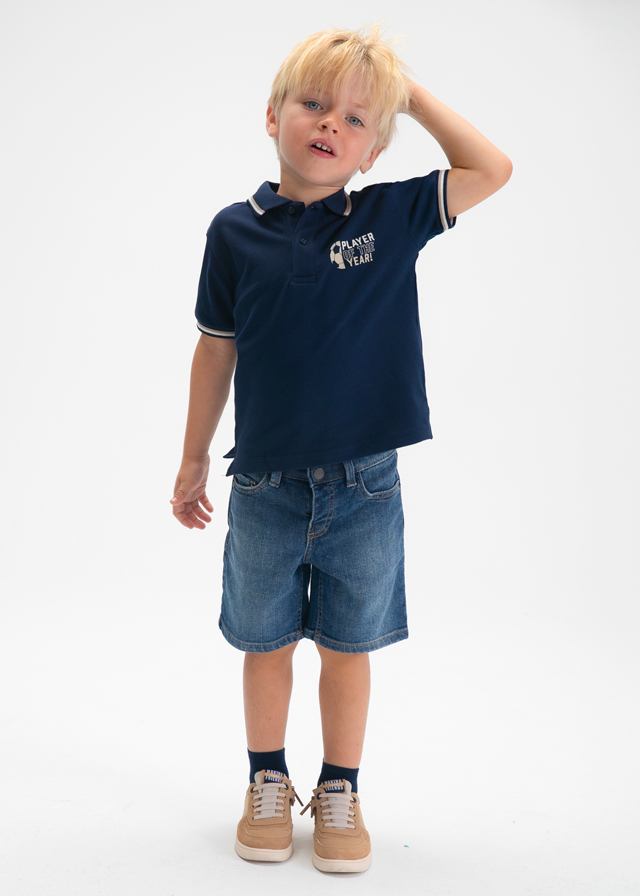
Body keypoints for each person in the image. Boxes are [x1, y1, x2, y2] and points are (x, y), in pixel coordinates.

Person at [170, 24, 511, 874]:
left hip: (366, 490)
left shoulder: (390, 216)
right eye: (315, 104)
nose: (331, 123)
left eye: (357, 119)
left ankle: (341, 788)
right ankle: (266, 778)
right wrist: (192, 457)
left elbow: (492, 168)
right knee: (264, 643)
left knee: (348, 647)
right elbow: (215, 347)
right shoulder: (233, 232)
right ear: (273, 117)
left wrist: (408, 93)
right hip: (265, 487)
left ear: (374, 150)